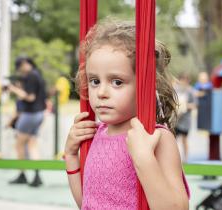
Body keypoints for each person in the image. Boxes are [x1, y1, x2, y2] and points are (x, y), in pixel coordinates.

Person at [64, 21, 190, 209]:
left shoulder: (156, 137)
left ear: (145, 85)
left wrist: (144, 158)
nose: (101, 92)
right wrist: (71, 155)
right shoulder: (96, 135)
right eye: (95, 81)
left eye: (117, 82)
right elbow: (88, 203)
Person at [8, 57, 46, 187]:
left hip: (30, 114)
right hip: (39, 113)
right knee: (32, 145)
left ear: (24, 65)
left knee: (19, 145)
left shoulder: (31, 76)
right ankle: (36, 175)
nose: (20, 71)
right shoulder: (37, 75)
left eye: (20, 68)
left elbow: (30, 97)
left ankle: (22, 174)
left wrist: (13, 89)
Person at [174, 73, 196, 163]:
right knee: (173, 140)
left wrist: (185, 105)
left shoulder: (190, 91)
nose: (184, 82)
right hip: (176, 120)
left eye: (186, 80)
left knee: (184, 139)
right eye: (182, 80)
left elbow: (194, 105)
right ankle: (174, 158)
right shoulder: (176, 89)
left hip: (185, 120)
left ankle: (185, 159)